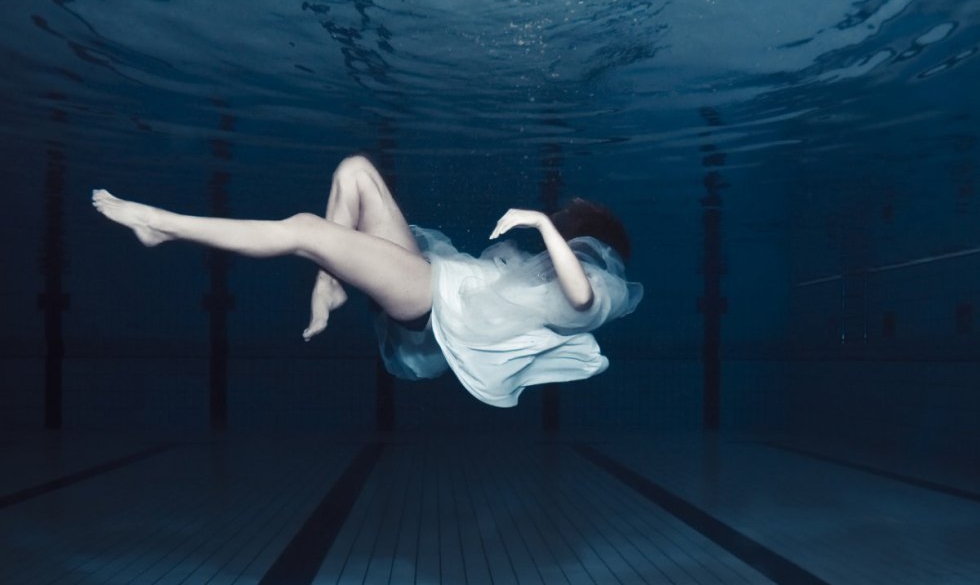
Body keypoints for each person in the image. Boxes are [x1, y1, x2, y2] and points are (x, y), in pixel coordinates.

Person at [92, 155, 643, 407]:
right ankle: (329, 285)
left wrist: (541, 223)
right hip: (434, 276)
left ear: (587, 239)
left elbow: (581, 298)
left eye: (566, 224)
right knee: (355, 171)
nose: (558, 229)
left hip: (430, 299)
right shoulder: (551, 266)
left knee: (305, 230)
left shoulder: (600, 285)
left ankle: (161, 225)